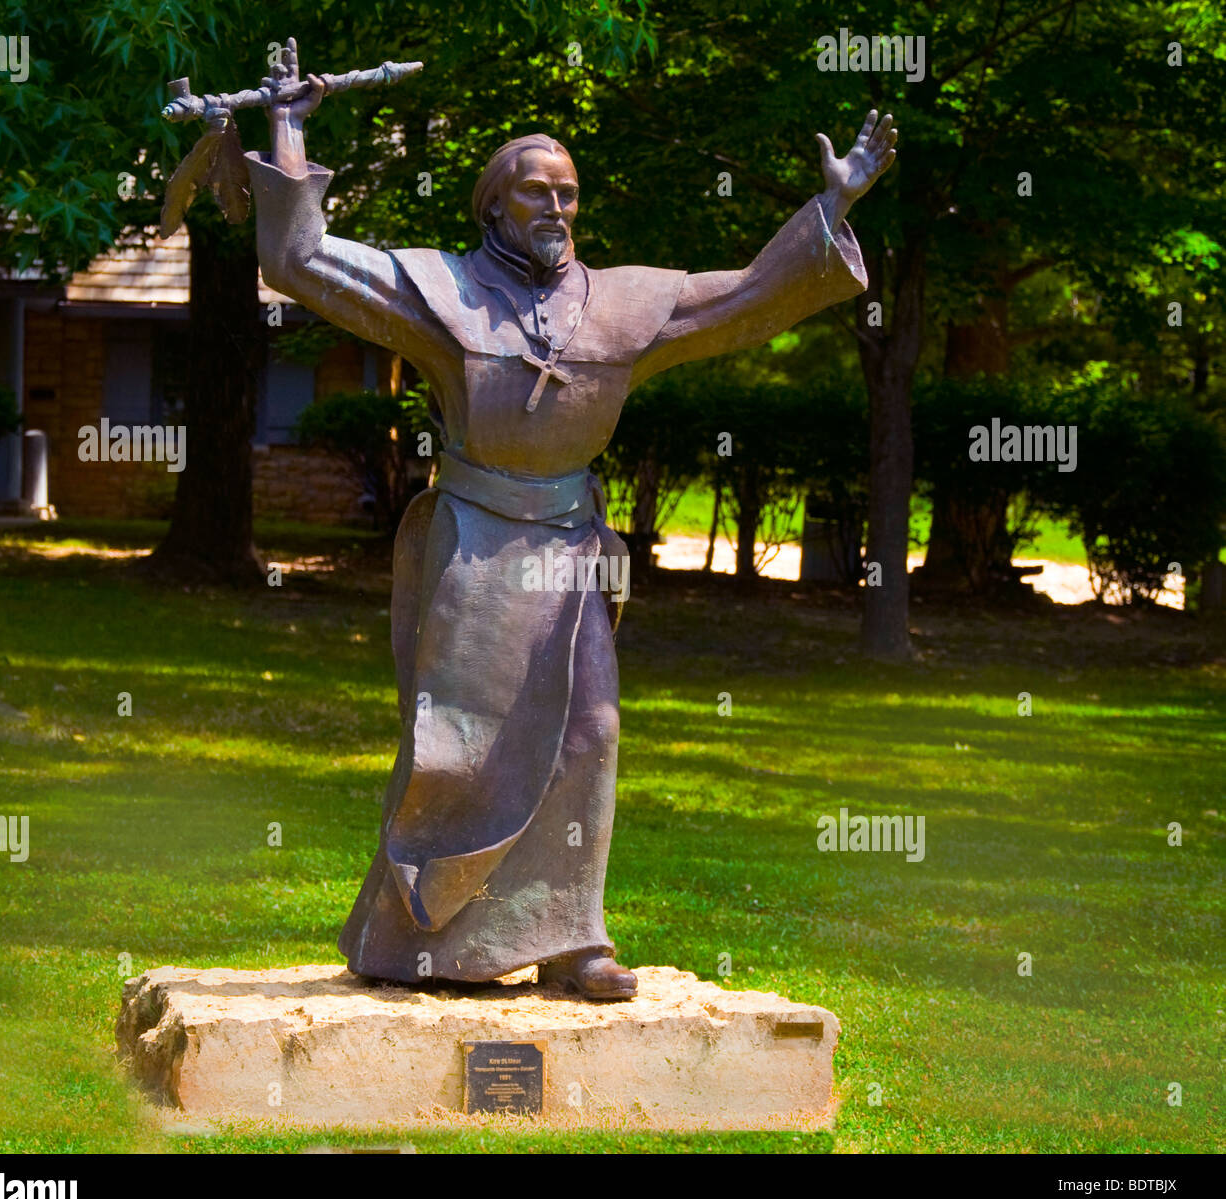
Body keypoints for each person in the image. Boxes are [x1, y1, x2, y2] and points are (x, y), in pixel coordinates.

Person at [247, 41, 897, 999]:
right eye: (536, 192)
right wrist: (289, 132)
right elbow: (299, 259)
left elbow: (747, 297)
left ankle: (572, 939)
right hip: (475, 547)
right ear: (493, 206)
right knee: (458, 746)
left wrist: (829, 209)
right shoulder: (442, 292)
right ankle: (419, 940)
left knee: (591, 729)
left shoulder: (622, 303)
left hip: (570, 551)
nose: (557, 207)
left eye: (569, 193)